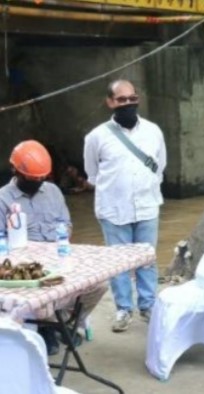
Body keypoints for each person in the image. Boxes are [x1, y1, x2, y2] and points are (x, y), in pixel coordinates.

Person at [0, 140, 108, 355]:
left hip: (58, 257)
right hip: (26, 268)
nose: (37, 183)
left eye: (41, 178)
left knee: (100, 284)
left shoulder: (53, 192)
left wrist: (63, 237)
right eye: (31, 179)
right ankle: (47, 327)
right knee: (43, 299)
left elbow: (65, 223)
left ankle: (63, 324)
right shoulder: (2, 198)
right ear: (15, 170)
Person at [83, 79, 167, 333]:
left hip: (146, 206)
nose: (128, 104)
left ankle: (148, 305)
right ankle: (123, 309)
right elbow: (92, 174)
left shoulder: (153, 131)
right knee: (118, 262)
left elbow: (160, 166)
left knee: (146, 260)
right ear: (110, 102)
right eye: (121, 100)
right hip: (113, 209)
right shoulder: (96, 137)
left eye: (132, 98)